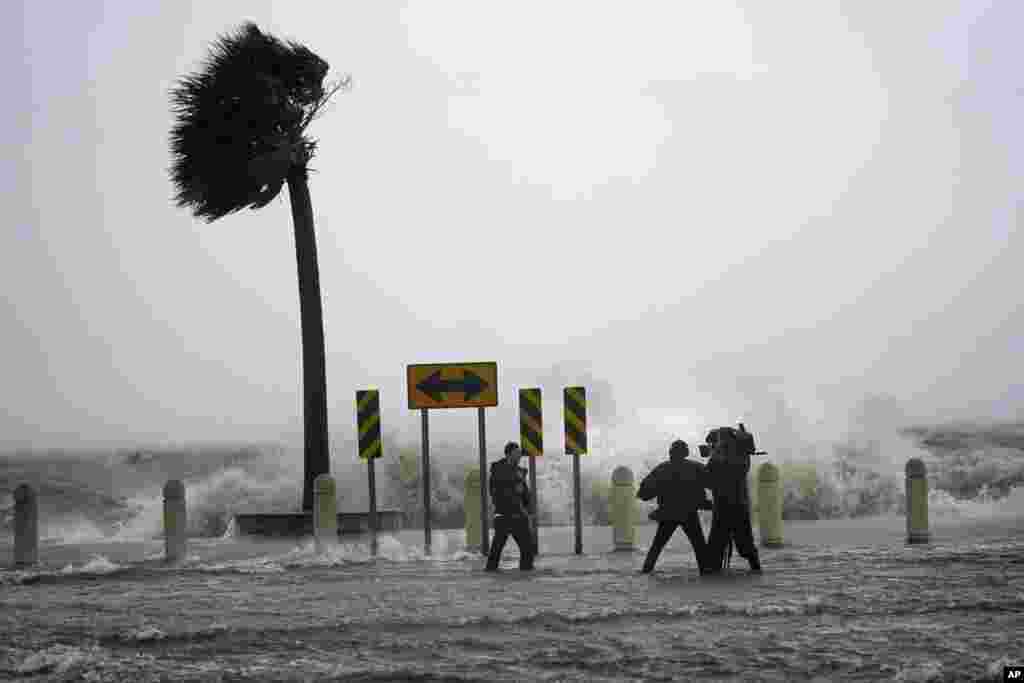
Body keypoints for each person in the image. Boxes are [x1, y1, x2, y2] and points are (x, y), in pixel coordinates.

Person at [637, 440, 715, 574]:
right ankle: (705, 572)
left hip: (668, 514)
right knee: (699, 546)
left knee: (657, 546)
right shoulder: (695, 467)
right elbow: (713, 483)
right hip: (689, 514)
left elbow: (643, 493)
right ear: (686, 452)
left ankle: (646, 570)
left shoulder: (662, 468)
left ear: (671, 452)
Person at [704, 425, 762, 573]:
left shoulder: (718, 460)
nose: (712, 447)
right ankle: (756, 569)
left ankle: (714, 575)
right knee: (745, 543)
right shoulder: (742, 458)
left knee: (716, 545)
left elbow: (707, 480)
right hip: (739, 506)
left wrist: (713, 457)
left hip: (723, 508)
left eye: (713, 443)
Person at [485, 442, 536, 571]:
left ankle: (526, 574)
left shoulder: (519, 472)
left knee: (528, 549)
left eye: (520, 453)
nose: (519, 456)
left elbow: (524, 493)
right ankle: (490, 573)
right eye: (516, 453)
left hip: (519, 515)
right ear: (508, 454)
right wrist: (514, 489)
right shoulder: (498, 470)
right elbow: (495, 492)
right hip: (504, 515)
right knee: (496, 549)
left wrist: (529, 510)